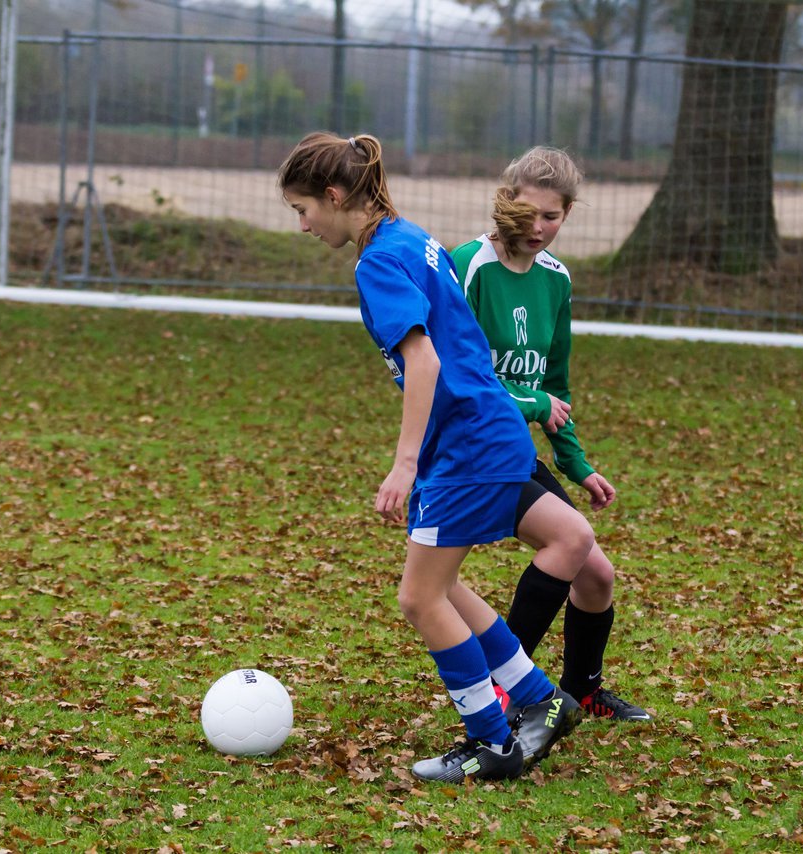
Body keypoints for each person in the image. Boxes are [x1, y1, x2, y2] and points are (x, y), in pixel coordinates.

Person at [277, 132, 595, 782]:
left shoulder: (378, 263)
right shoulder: (410, 237)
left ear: (335, 196)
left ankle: (493, 742)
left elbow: (425, 362)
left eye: (302, 209)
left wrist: (404, 463)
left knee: (420, 598)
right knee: (443, 586)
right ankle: (540, 699)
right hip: (483, 434)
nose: (304, 225)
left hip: (468, 443)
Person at [451, 146, 651, 722]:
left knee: (596, 574)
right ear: (504, 201)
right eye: (528, 212)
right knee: (570, 543)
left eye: (553, 217)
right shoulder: (471, 266)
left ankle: (582, 689)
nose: (538, 228)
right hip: (468, 447)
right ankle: (507, 690)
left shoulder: (557, 280)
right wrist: (534, 402)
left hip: (511, 447)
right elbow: (459, 377)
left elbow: (555, 382)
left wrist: (576, 462)